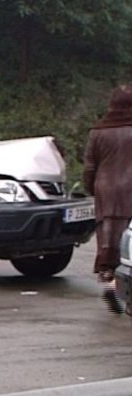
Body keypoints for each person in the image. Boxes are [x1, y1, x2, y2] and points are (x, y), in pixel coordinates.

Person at [83, 82, 132, 314]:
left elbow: (89, 166)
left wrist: (90, 188)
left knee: (109, 244)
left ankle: (111, 282)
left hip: (106, 192)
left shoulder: (98, 131)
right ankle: (120, 292)